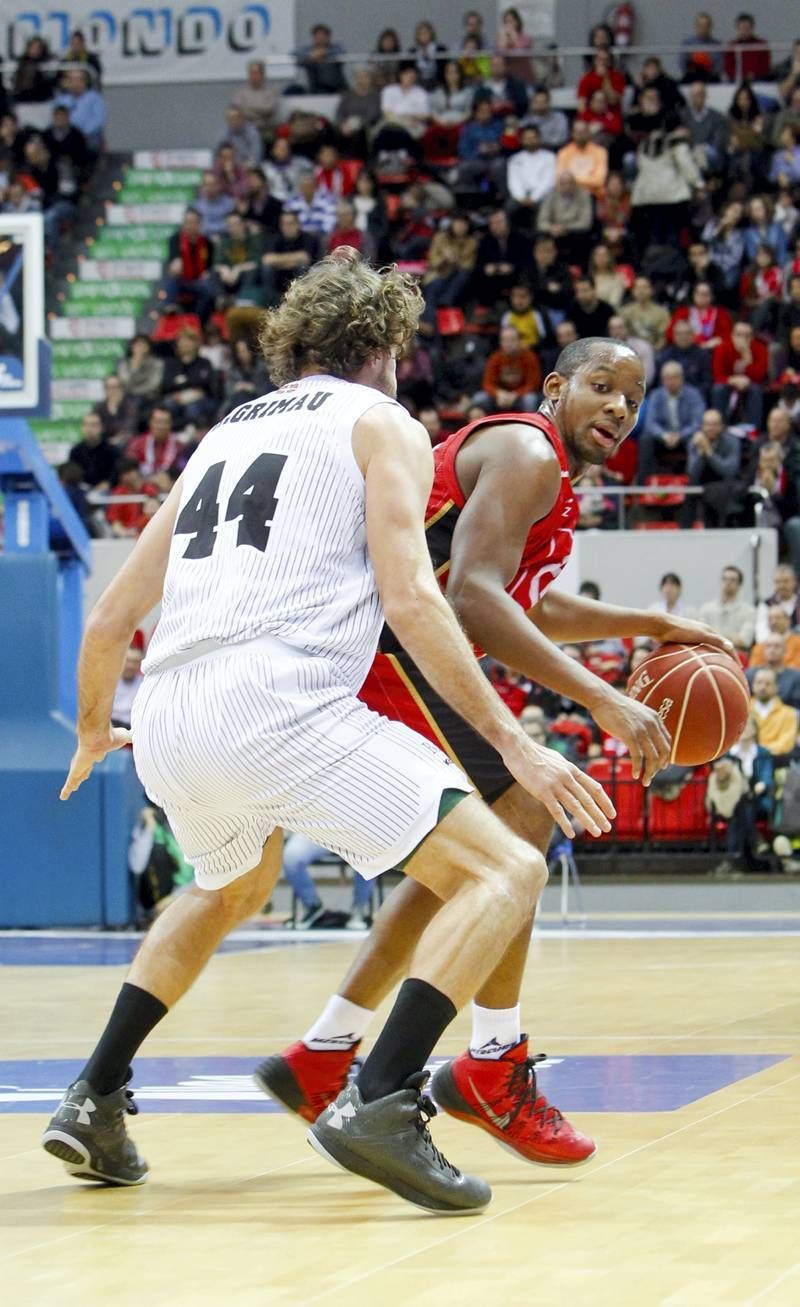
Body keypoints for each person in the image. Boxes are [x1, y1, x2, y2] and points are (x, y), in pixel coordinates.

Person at [45, 251, 614, 1215]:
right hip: (282, 699)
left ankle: (95, 1093)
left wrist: (95, 727)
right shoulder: (380, 419)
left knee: (230, 884)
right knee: (504, 869)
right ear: (385, 344)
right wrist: (515, 743)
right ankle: (384, 1098)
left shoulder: (220, 434)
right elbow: (415, 597)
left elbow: (107, 621)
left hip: (172, 713)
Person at [258, 336, 730, 1158]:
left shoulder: (540, 472)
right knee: (525, 816)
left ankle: (325, 1054)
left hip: (376, 649)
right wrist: (603, 696)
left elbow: (528, 605)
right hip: (381, 647)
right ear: (556, 387)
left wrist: (651, 624)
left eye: (634, 396)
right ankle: (489, 1061)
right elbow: (473, 598)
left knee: (470, 858)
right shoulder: (525, 450)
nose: (620, 405)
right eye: (601, 385)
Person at [637, 360, 706, 478]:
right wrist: (664, 435)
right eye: (667, 378)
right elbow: (650, 423)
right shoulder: (656, 395)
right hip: (663, 437)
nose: (670, 382)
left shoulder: (693, 394)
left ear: (681, 378)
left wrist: (680, 435)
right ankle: (643, 485)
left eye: (674, 377)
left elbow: (698, 422)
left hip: (686, 436)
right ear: (662, 380)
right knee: (645, 440)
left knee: (697, 440)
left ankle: (692, 484)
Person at [684, 407, 742, 526]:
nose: (711, 428)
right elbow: (692, 472)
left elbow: (729, 471)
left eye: (715, 424)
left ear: (722, 426)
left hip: (724, 485)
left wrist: (709, 452)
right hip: (701, 484)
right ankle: (686, 531)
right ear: (702, 426)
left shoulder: (732, 442)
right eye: (707, 424)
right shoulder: (695, 442)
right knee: (689, 490)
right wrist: (701, 454)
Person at [711, 320, 768, 429]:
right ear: (732, 335)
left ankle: (752, 429)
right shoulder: (722, 348)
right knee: (718, 389)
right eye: (739, 335)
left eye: (747, 336)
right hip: (728, 382)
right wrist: (733, 380)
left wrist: (747, 356)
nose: (742, 339)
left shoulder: (760, 349)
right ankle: (720, 426)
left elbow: (759, 376)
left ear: (752, 337)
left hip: (749, 383)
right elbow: (717, 375)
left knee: (755, 390)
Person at [473, 324, 542, 413]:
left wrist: (515, 394)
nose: (508, 344)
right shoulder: (495, 358)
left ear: (519, 341)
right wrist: (498, 394)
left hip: (520, 397)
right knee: (479, 398)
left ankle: (529, 425)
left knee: (530, 399)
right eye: (505, 340)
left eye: (512, 340)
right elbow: (487, 383)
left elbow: (533, 384)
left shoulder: (529, 357)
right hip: (500, 397)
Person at [163, 208, 215, 322]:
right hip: (182, 280)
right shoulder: (175, 239)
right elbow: (173, 261)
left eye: (193, 222)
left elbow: (210, 265)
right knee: (172, 279)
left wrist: (207, 272)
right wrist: (176, 263)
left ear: (199, 224)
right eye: (186, 222)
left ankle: (199, 320)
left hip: (199, 281)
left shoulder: (207, 242)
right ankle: (168, 307)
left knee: (208, 287)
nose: (189, 226)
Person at [699, 565, 756, 650]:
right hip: (709, 654)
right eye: (724, 579)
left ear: (739, 584)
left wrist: (713, 636)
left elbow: (744, 640)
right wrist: (731, 636)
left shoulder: (749, 611)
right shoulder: (706, 609)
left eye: (732, 580)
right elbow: (700, 635)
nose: (728, 582)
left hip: (735, 656)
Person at [656, 317, 713, 396]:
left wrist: (691, 395)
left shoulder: (703, 355)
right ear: (674, 336)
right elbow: (660, 383)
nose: (683, 337)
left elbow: (707, 383)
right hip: (670, 397)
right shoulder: (665, 355)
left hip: (695, 398)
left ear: (693, 335)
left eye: (687, 333)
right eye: (679, 334)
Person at [506, 124, 556, 212]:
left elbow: (548, 182)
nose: (530, 141)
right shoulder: (515, 159)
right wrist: (521, 197)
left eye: (533, 138)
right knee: (509, 207)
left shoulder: (550, 157)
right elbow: (513, 181)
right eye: (527, 138)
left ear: (539, 138)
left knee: (542, 207)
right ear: (522, 140)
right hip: (521, 196)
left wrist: (534, 198)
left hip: (542, 196)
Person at [749, 669, 798, 758]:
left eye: (768, 684)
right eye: (759, 683)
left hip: (776, 761)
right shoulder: (744, 710)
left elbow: (786, 743)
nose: (763, 687)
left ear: (776, 687)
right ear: (752, 685)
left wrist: (759, 752)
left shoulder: (789, 714)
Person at [555, 119, 608, 198]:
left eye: (584, 131)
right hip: (569, 194)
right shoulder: (564, 152)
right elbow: (560, 179)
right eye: (578, 132)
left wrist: (572, 181)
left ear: (588, 133)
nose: (581, 135)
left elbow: (599, 180)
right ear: (572, 134)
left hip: (593, 195)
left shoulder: (600, 152)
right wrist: (588, 181)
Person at [746, 634, 800, 708]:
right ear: (763, 650)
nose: (772, 650)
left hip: (785, 718)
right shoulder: (751, 674)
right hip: (754, 715)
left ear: (785, 651)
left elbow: (797, 709)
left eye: (777, 646)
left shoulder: (795, 677)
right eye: (768, 646)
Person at [69, 411, 117, 492]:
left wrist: (108, 483)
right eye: (86, 425)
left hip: (107, 491)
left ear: (101, 427)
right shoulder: (75, 451)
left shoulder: (112, 450)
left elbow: (116, 472)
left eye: (93, 425)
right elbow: (72, 474)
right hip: (82, 491)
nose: (89, 429)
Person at [231, 60, 277, 142]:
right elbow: (239, 112)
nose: (253, 76)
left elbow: (270, 110)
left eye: (256, 73)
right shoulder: (240, 93)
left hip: (265, 131)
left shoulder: (271, 92)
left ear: (263, 75)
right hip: (244, 132)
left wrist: (248, 108)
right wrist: (260, 111)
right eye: (251, 73)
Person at [620, 276, 670, 350]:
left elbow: (664, 337)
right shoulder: (624, 312)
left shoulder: (661, 313)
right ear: (633, 291)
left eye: (644, 287)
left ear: (651, 290)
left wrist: (653, 350)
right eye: (637, 287)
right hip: (629, 351)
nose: (641, 291)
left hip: (653, 351)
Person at [296, 23, 347, 95]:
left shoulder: (336, 48)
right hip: (316, 90)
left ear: (328, 37)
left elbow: (342, 52)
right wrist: (310, 56)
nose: (320, 39)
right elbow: (295, 56)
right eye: (317, 36)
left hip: (338, 89)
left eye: (322, 36)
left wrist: (324, 53)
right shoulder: (307, 50)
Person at [755, 565, 800, 643]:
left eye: (786, 581)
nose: (782, 585)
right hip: (772, 649)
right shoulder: (765, 605)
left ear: (794, 582)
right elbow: (761, 634)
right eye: (778, 582)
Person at [724, 13, 771, 83]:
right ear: (737, 28)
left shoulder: (761, 45)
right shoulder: (732, 46)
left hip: (759, 80)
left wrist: (754, 74)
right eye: (742, 28)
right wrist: (742, 75)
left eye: (747, 28)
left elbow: (766, 66)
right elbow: (728, 67)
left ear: (752, 28)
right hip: (736, 81)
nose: (744, 31)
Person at [680, 12, 724, 83]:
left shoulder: (717, 45)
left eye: (706, 26)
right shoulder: (687, 43)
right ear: (696, 26)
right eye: (700, 25)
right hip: (692, 78)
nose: (703, 28)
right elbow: (682, 63)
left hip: (711, 78)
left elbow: (720, 66)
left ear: (710, 27)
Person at [111, 647, 143, 728]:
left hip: (132, 727)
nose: (130, 666)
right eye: (127, 661)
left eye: (135, 662)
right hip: (110, 724)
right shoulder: (109, 681)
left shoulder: (144, 684)